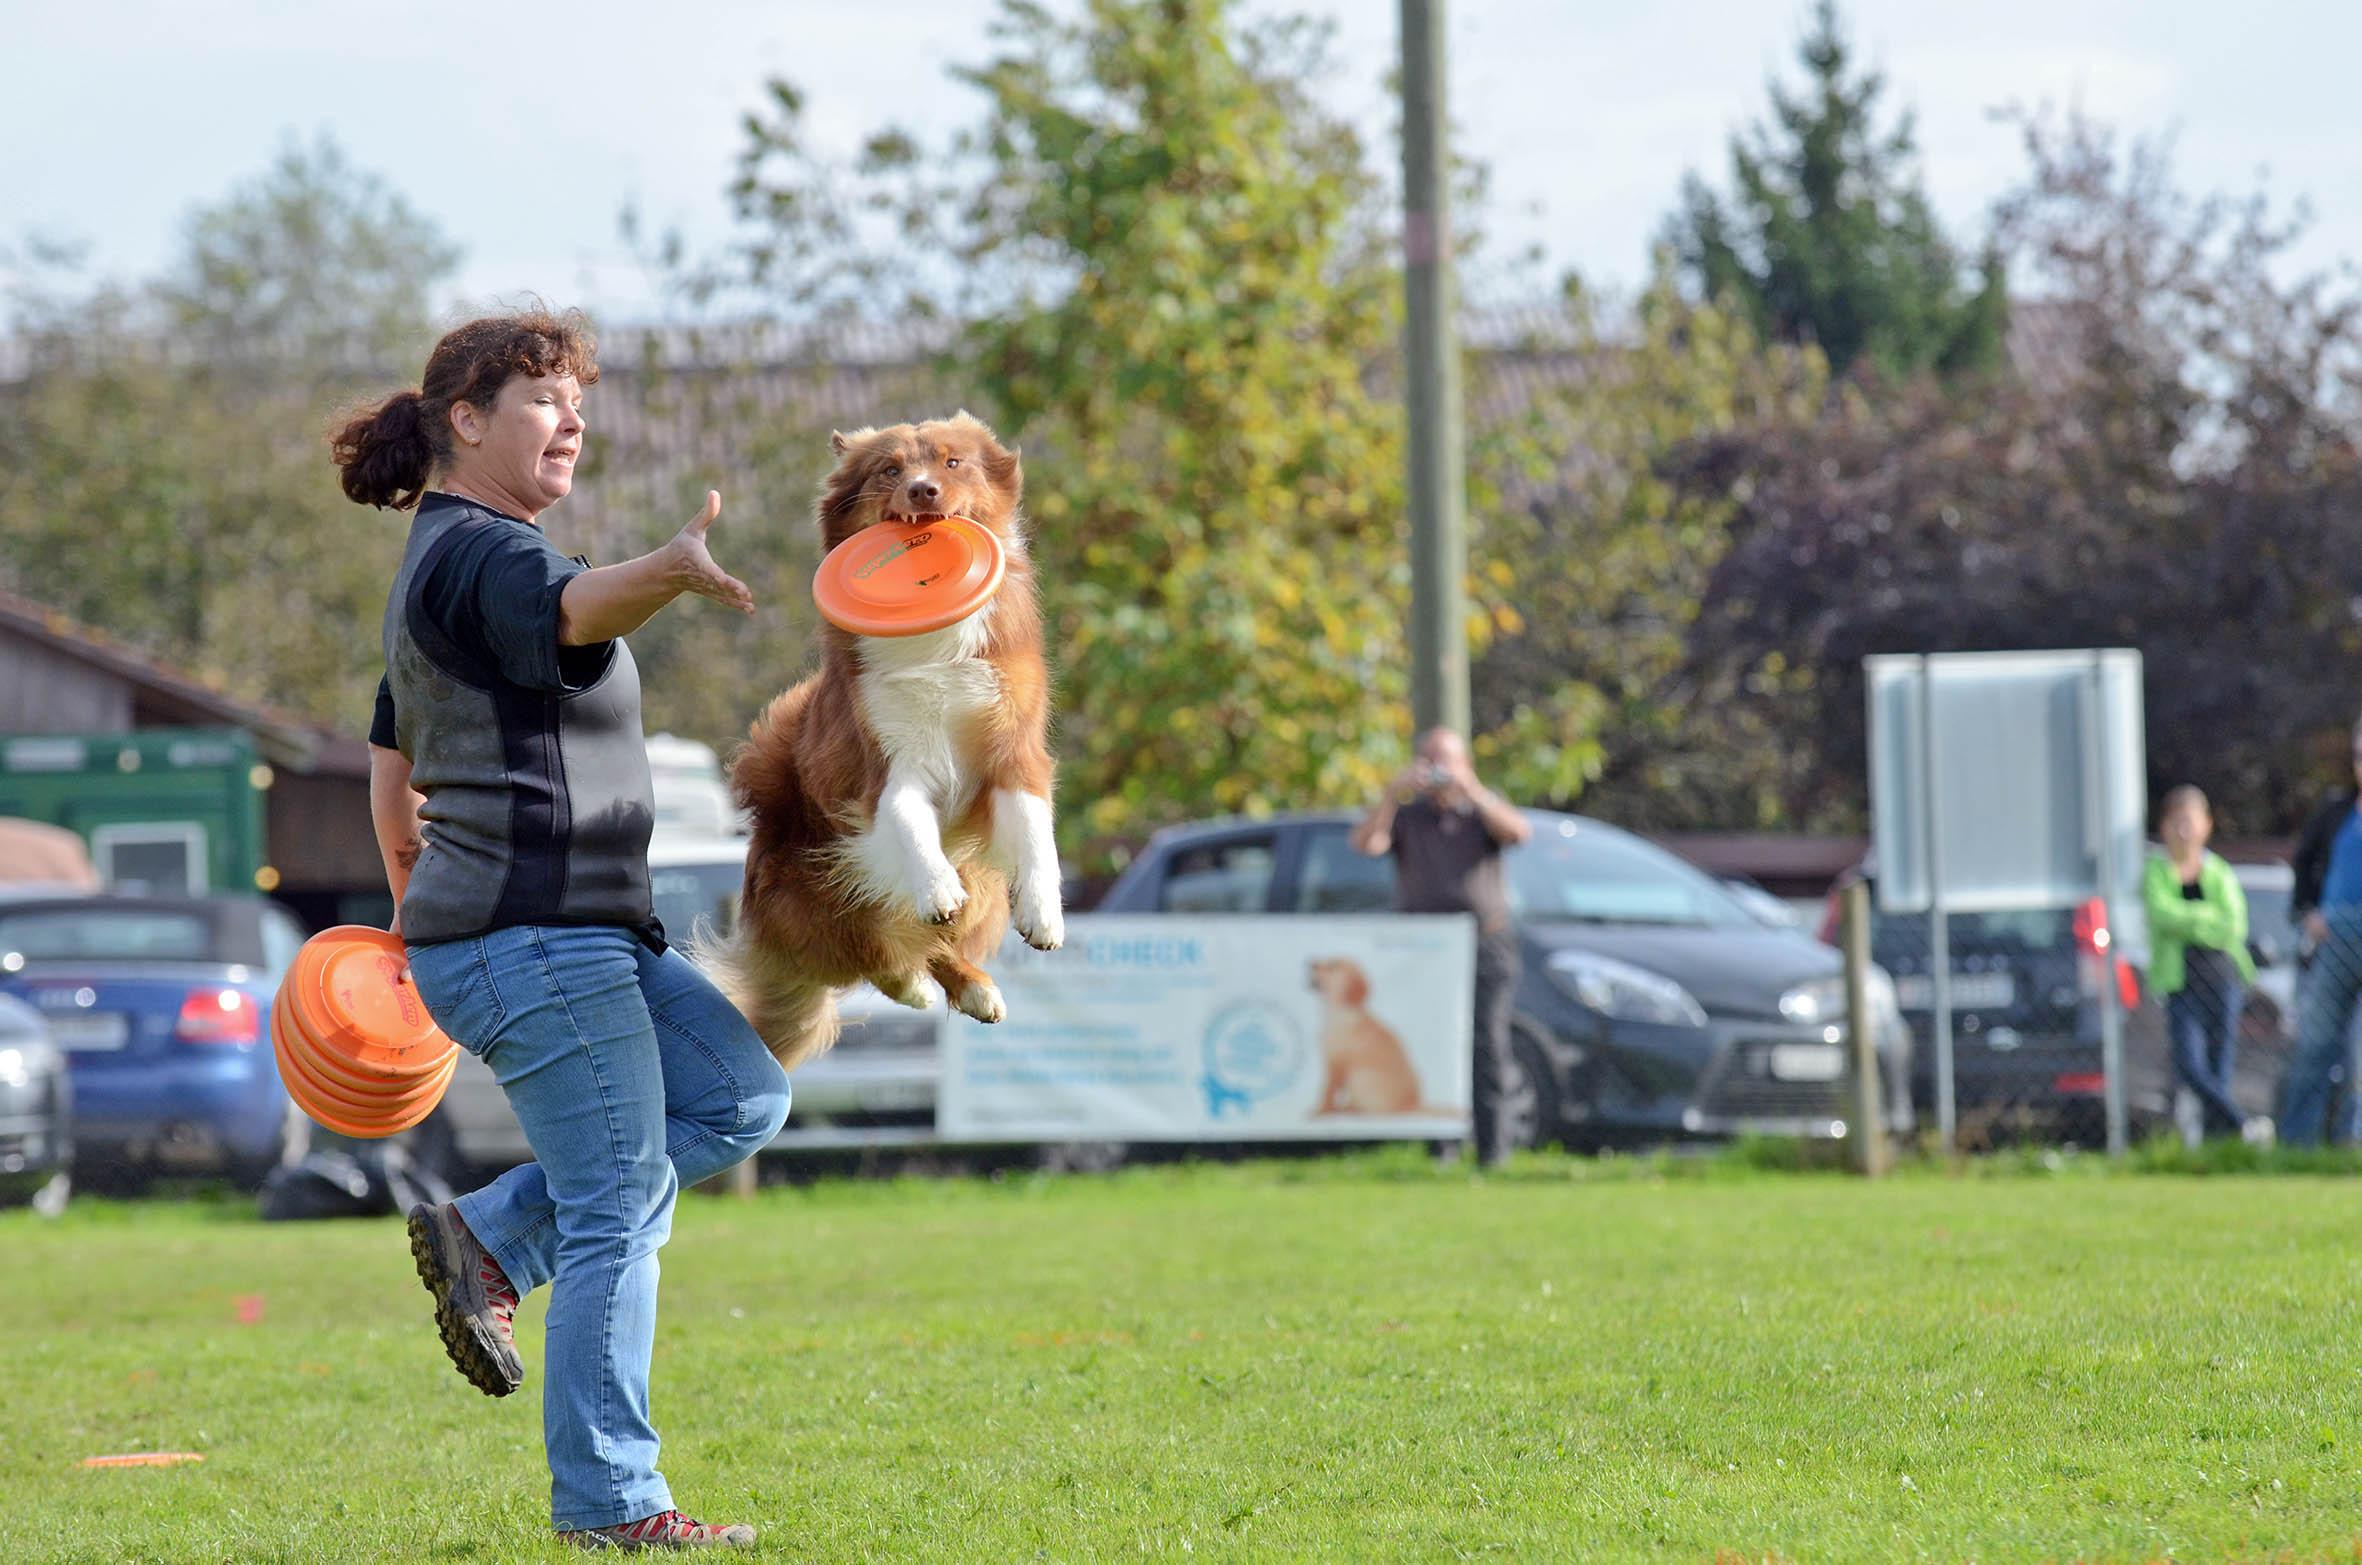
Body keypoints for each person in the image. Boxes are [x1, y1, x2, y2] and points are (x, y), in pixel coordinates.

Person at [338, 308, 788, 1551]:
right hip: (532, 935)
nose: (572, 417)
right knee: (616, 1204)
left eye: (576, 397)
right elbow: (582, 608)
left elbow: (391, 750)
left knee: (743, 1097)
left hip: (565, 932)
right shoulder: (488, 554)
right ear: (467, 422)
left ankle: (486, 1232)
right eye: (544, 397)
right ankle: (615, 1502)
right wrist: (668, 569)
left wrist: (406, 892)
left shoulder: (455, 559)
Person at [1350, 726, 1532, 1166]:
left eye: (1446, 758)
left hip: (1484, 943)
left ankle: (1493, 1152)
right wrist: (1392, 794)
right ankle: (1441, 1149)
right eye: (1430, 759)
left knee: (1488, 1043)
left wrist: (1472, 789)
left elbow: (1519, 834)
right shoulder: (1409, 817)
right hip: (1426, 951)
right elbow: (1365, 845)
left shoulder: (1480, 811)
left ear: (1465, 763)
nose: (1438, 769)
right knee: (1431, 1045)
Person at [2141, 786, 2256, 1141]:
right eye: (2176, 822)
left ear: (2205, 825)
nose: (2183, 831)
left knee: (2220, 1066)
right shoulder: (2157, 873)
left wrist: (2187, 921)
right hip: (2181, 982)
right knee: (2190, 1065)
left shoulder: (2219, 872)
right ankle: (2243, 1124)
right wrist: (2207, 919)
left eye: (2189, 822)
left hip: (2222, 979)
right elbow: (2161, 915)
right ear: (2164, 827)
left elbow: (2234, 926)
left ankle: (2218, 1145)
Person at [2284, 721, 2362, 1146]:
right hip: (2336, 943)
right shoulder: (2337, 812)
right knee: (2314, 1044)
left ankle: (2354, 1146)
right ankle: (2297, 1147)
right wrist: (2307, 912)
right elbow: (2303, 863)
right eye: (2359, 756)